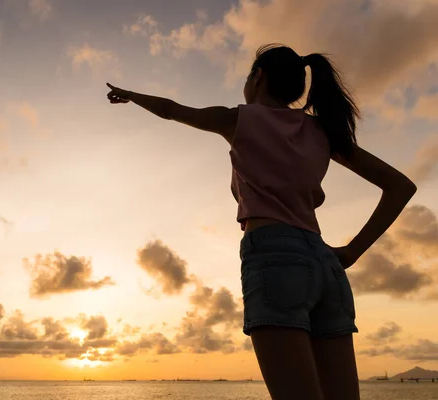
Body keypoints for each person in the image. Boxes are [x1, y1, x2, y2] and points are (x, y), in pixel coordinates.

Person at [105, 43, 417, 400]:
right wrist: (351, 252)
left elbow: (171, 110)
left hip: (274, 258)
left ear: (258, 77)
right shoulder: (322, 132)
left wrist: (130, 94)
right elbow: (400, 187)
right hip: (326, 266)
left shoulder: (240, 118)